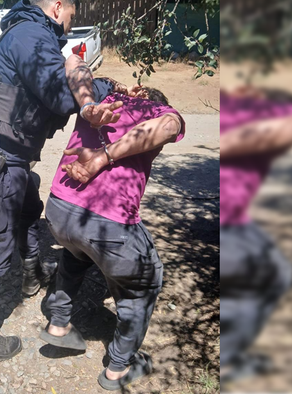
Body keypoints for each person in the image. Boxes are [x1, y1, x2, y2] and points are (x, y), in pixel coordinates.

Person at [0, 0, 137, 363]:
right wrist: (100, 85)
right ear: (57, 7)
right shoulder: (30, 36)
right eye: (71, 17)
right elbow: (60, 97)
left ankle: (31, 274)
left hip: (9, 158)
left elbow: (50, 98)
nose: (71, 26)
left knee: (27, 210)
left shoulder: (28, 34)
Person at [39, 55, 186, 391]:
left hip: (60, 210)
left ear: (135, 89)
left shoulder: (101, 100)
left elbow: (73, 63)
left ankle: (59, 323)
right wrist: (103, 158)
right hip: (108, 223)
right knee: (144, 285)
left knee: (75, 252)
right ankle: (118, 369)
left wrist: (117, 88)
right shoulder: (162, 113)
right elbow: (168, 127)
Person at [219, 87, 292, 382]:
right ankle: (229, 359)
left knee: (274, 274)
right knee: (272, 275)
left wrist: (243, 138)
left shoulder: (271, 111)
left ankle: (231, 348)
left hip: (237, 218)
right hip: (231, 221)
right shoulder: (236, 102)